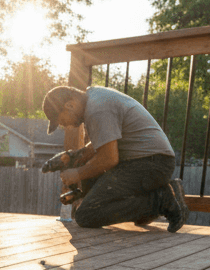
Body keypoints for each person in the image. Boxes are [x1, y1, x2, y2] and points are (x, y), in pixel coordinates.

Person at [42, 85, 188, 232]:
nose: (65, 126)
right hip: (149, 161)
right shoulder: (95, 98)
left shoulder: (97, 109)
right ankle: (162, 196)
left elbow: (109, 159)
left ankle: (161, 199)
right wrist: (76, 156)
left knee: (87, 215)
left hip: (152, 163)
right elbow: (105, 142)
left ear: (70, 105)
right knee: (90, 171)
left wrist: (76, 174)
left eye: (62, 121)